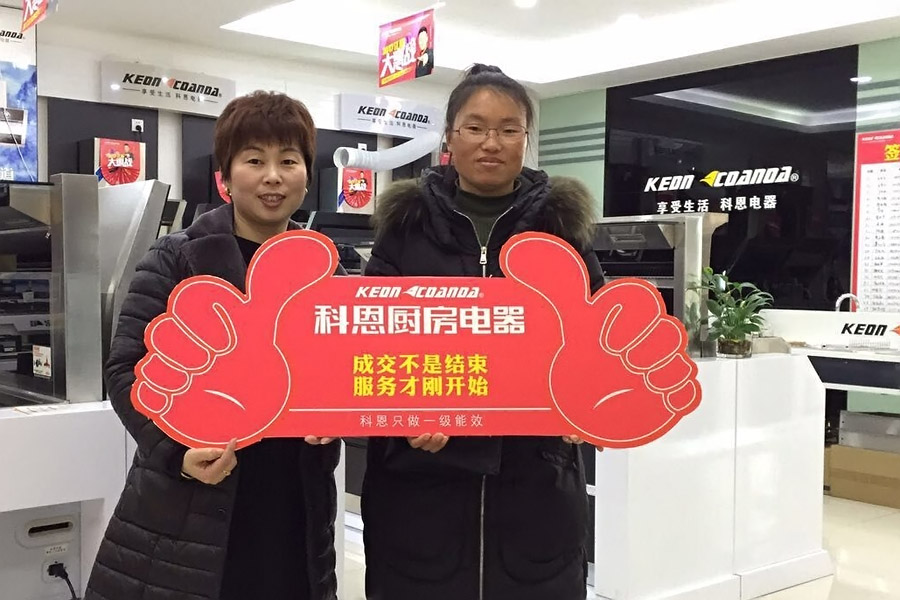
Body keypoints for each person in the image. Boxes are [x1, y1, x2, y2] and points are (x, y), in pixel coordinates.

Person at [83, 91, 340, 600]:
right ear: (225, 176)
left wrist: (337, 419)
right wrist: (176, 452)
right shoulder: (176, 258)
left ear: (307, 175)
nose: (273, 177)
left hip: (294, 501)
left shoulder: (327, 270)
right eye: (254, 161)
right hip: (190, 503)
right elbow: (124, 370)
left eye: (289, 161)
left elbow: (342, 375)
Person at [362, 64, 605, 600]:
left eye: (508, 129)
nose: (491, 143)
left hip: (535, 481)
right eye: (474, 127)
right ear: (449, 137)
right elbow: (367, 344)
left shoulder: (562, 229)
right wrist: (403, 415)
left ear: (526, 138)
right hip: (420, 485)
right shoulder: (404, 227)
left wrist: (592, 406)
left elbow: (596, 337)